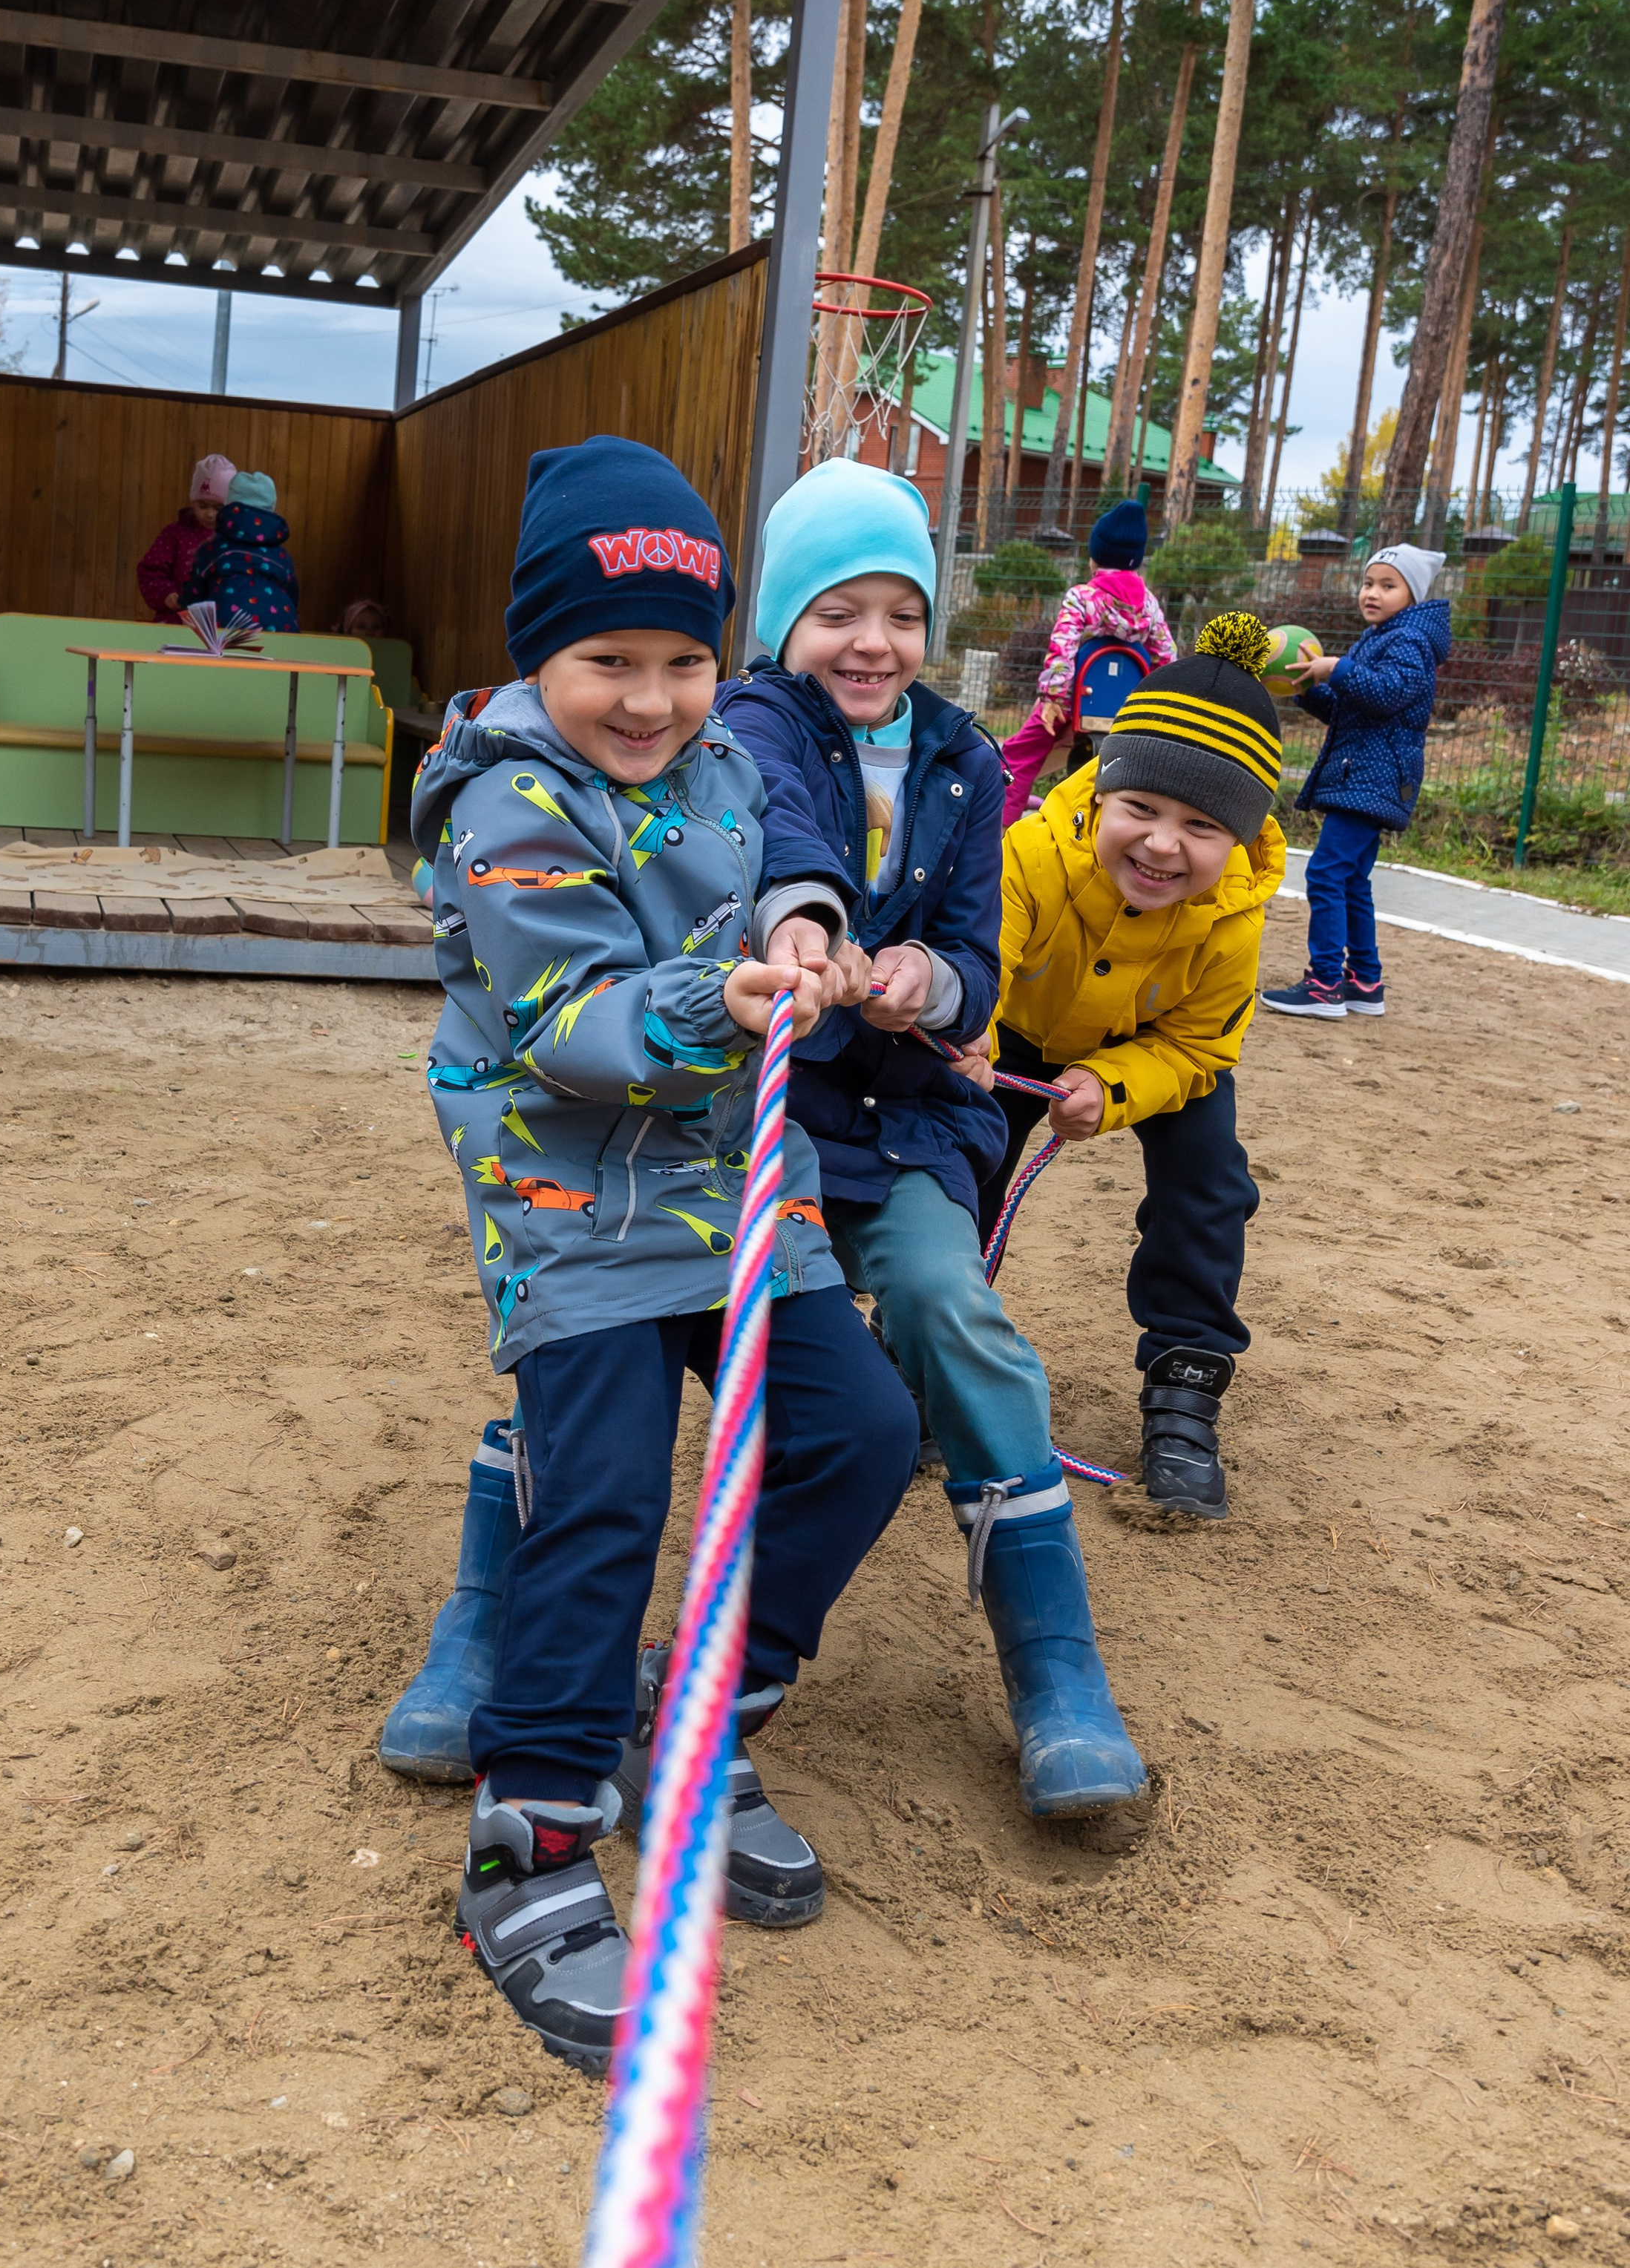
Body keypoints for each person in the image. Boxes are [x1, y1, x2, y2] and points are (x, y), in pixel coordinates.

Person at [418, 437, 918, 2071]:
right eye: (605, 662)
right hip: (577, 1222)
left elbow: (770, 868)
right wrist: (727, 1001)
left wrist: (800, 933)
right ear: (532, 655)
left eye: (684, 661)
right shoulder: (504, 798)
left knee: (858, 1431)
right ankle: (536, 1828)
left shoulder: (722, 760)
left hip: (734, 1199)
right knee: (607, 1495)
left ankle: (700, 1710)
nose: (648, 699)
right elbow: (571, 1026)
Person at [719, 459, 1145, 1818]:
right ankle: (539, 1580)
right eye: (839, 609)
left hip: (909, 1113)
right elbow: (779, 825)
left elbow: (973, 954)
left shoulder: (968, 758)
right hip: (765, 1106)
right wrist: (809, 926)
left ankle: (1057, 1666)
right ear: (789, 621)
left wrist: (931, 985)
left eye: (901, 611)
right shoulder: (746, 721)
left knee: (949, 1306)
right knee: (651, 1303)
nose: (873, 642)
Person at [973, 613, 1286, 1524]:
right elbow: (978, 963)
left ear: (1239, 840)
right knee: (964, 1159)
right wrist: (973, 1044)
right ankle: (924, 1347)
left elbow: (1198, 1048)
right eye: (1141, 808)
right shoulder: (1030, 853)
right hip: (1019, 1036)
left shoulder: (1233, 915)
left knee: (1208, 1185)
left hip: (1153, 1051)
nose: (1160, 844)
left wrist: (1111, 1089)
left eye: (1200, 825)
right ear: (1100, 795)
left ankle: (1185, 1383)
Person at [1260, 544, 1451, 1021]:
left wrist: (1338, 667)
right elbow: (1353, 712)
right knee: (1350, 881)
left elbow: (1385, 696)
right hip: (1365, 774)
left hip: (1375, 777)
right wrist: (1308, 688)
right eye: (1369, 583)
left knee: (1325, 874)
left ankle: (1324, 984)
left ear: (1412, 594)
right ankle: (1365, 982)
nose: (1373, 593)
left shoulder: (1409, 642)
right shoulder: (1383, 636)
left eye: (1388, 585)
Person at [998, 499, 1177, 829]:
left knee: (1015, 758)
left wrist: (1053, 697)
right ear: (1136, 561)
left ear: (1095, 558)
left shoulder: (1083, 596)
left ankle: (998, 835)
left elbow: (1063, 645)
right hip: (1126, 706)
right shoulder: (1149, 604)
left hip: (1072, 698)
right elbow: (1167, 656)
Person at [180, 468, 301, 633]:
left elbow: (193, 596)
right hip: (282, 628)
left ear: (228, 508)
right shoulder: (282, 557)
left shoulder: (212, 549)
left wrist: (182, 606)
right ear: (271, 514)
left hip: (226, 628)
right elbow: (293, 597)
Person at [136, 454, 234, 622]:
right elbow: (150, 570)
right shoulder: (175, 534)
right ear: (193, 503)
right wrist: (165, 594)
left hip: (221, 624)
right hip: (176, 621)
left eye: (219, 508)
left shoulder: (235, 539)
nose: (210, 514)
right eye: (202, 505)